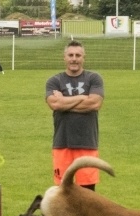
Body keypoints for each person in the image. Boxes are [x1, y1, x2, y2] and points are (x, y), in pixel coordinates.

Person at [45, 40, 105, 191]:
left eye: (78, 55)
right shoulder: (54, 81)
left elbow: (94, 104)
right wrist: (82, 97)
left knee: (88, 192)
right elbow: (55, 105)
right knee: (63, 192)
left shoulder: (94, 78)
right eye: (70, 55)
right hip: (62, 143)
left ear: (84, 58)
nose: (74, 58)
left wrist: (64, 101)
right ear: (64, 57)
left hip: (87, 143)